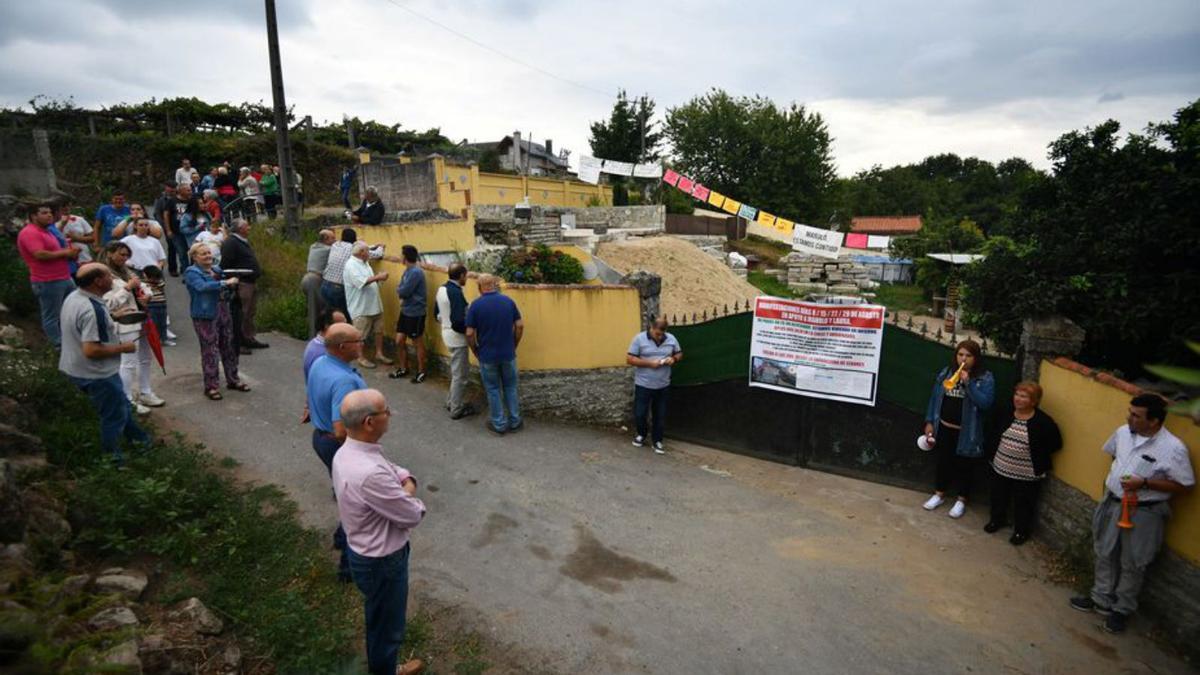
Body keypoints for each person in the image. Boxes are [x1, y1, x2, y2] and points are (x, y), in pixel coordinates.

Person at [1069, 394, 1194, 634]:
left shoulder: (1173, 448)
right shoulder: (1123, 432)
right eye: (1130, 412)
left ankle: (1121, 610)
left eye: (1136, 415)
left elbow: (1185, 486)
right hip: (1113, 503)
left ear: (1154, 421)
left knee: (1133, 562)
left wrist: (1145, 483)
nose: (1129, 417)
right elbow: (1114, 456)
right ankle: (1100, 599)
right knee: (1104, 551)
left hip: (1144, 511)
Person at [332, 388, 426, 675]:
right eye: (386, 410)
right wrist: (409, 486)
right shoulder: (369, 473)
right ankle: (385, 670)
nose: (391, 414)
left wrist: (403, 478)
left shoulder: (350, 451)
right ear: (369, 422)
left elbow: (391, 468)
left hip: (364, 550)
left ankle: (382, 665)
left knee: (378, 616)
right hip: (382, 561)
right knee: (388, 626)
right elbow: (412, 513)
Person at [59, 262, 150, 464]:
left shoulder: (75, 297)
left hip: (75, 367)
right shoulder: (92, 310)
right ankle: (113, 461)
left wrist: (113, 316)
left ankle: (142, 441)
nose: (113, 279)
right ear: (98, 281)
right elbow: (91, 350)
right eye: (109, 275)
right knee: (113, 416)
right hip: (96, 374)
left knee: (122, 406)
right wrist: (123, 348)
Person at [305, 322, 367, 581]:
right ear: (343, 347)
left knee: (346, 496)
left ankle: (341, 537)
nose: (362, 344)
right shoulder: (343, 380)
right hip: (338, 444)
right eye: (358, 341)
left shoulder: (321, 363)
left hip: (320, 439)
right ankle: (348, 568)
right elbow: (341, 428)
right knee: (358, 507)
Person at [921, 339, 996, 519]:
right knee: (943, 461)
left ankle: (961, 500)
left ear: (976, 358)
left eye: (968, 355)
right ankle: (939, 494)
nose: (964, 358)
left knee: (966, 466)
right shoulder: (947, 372)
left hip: (967, 432)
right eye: (960, 354)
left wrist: (969, 383)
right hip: (945, 427)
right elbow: (935, 398)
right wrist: (930, 420)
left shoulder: (985, 378)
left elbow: (986, 404)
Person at [984, 381, 1062, 545]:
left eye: (1023, 397)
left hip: (1027, 472)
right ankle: (996, 520)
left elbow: (1055, 444)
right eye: (1017, 395)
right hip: (1001, 465)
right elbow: (994, 431)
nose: (1018, 399)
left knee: (1024, 503)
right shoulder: (1006, 412)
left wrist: (1036, 453)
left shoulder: (1043, 422)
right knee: (999, 495)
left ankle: (1021, 531)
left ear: (1033, 401)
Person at [101, 241, 163, 412]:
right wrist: (127, 289)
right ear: (110, 254)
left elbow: (144, 286)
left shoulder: (127, 271)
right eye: (121, 254)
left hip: (142, 319)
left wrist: (147, 296)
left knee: (145, 358)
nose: (125, 258)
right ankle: (126, 399)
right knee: (128, 362)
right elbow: (108, 304)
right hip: (125, 324)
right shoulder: (104, 275)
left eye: (127, 255)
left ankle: (145, 392)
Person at [184, 242, 247, 400]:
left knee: (228, 346)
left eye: (209, 253)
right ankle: (211, 386)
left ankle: (233, 379)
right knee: (210, 350)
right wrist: (225, 282)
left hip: (223, 310)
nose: (207, 256)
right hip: (205, 315)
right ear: (194, 257)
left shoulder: (217, 270)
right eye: (203, 254)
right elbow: (202, 287)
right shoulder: (191, 272)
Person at [465, 274, 523, 434]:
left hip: (487, 355)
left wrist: (474, 349)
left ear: (480, 287)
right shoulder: (508, 302)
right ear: (495, 285)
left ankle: (498, 424)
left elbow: (469, 333)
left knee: (493, 389)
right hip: (508, 353)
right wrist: (514, 344)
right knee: (510, 386)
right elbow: (520, 325)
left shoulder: (475, 306)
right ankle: (515, 421)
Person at [17, 203, 79, 347]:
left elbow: (55, 252)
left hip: (64, 277)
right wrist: (65, 253)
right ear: (33, 216)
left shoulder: (47, 231)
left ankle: (74, 341)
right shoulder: (30, 232)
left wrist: (70, 255)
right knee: (52, 316)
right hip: (47, 281)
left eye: (50, 212)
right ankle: (59, 346)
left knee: (75, 309)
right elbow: (39, 254)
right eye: (44, 213)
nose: (49, 215)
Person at [626, 316, 684, 455]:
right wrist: (650, 364)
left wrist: (673, 359)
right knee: (640, 413)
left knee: (660, 414)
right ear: (651, 328)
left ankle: (657, 440)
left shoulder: (671, 339)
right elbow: (629, 359)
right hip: (643, 384)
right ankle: (641, 434)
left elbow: (679, 353)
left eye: (662, 334)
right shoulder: (639, 339)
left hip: (663, 385)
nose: (659, 336)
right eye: (657, 333)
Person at [321, 229, 393, 320]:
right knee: (344, 318)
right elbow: (377, 254)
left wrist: (374, 246)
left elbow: (361, 249)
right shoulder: (353, 250)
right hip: (338, 288)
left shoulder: (336, 245)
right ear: (354, 240)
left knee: (330, 316)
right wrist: (381, 247)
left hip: (325, 285)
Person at [220, 218, 268, 352]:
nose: (249, 228)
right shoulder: (231, 243)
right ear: (240, 229)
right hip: (242, 283)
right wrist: (233, 280)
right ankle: (238, 342)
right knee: (241, 314)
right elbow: (225, 264)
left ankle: (248, 338)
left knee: (250, 313)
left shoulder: (241, 241)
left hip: (250, 282)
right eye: (247, 226)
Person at [435, 263, 475, 419]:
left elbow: (436, 313)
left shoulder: (442, 289)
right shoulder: (456, 293)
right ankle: (456, 409)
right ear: (461, 276)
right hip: (457, 338)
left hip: (446, 333)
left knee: (456, 372)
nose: (466, 278)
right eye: (466, 276)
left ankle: (451, 401)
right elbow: (458, 320)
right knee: (461, 376)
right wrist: (468, 331)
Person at [343, 242, 392, 370]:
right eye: (367, 251)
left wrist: (378, 279)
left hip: (374, 304)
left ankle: (379, 353)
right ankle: (360, 357)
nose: (369, 253)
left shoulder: (365, 263)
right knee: (360, 335)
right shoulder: (351, 265)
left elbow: (370, 279)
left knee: (379, 331)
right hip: (361, 307)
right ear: (361, 253)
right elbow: (361, 282)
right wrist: (378, 277)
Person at [389, 246, 426, 383]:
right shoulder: (408, 271)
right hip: (406, 311)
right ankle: (404, 368)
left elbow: (403, 291)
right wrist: (400, 290)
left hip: (415, 313)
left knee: (417, 342)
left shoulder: (415, 272)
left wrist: (400, 291)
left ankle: (421, 371)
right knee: (399, 340)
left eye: (401, 255)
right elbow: (401, 288)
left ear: (405, 257)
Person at [303, 229, 336, 337]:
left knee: (313, 309)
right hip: (315, 280)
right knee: (318, 310)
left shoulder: (313, 246)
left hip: (307, 279)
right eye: (333, 238)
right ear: (326, 239)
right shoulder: (328, 249)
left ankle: (316, 335)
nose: (335, 240)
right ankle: (315, 337)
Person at [163, 185, 201, 275]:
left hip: (191, 231)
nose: (190, 192)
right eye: (188, 190)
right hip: (176, 232)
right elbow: (166, 214)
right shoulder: (172, 201)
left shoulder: (192, 200)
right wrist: (168, 230)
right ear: (180, 191)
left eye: (190, 190)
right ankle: (185, 272)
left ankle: (193, 271)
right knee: (182, 253)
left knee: (193, 252)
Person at [304, 308, 348, 382]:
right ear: (327, 326)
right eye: (342, 325)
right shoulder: (323, 354)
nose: (347, 329)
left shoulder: (315, 344)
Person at [141, 265, 172, 347]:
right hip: (151, 306)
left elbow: (161, 285)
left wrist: (155, 281)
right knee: (154, 324)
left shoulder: (160, 282)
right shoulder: (143, 283)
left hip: (162, 305)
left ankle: (164, 339)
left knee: (163, 323)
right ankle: (155, 340)